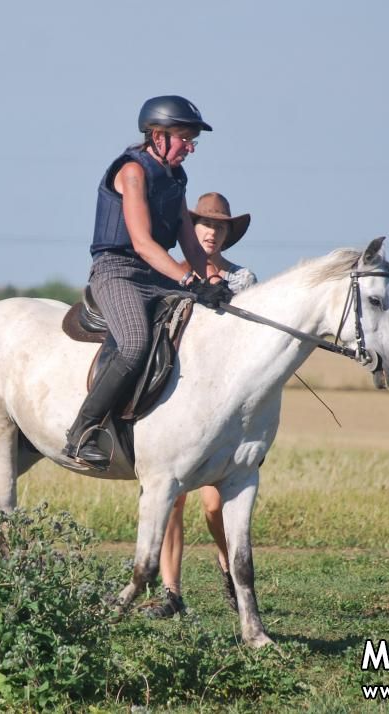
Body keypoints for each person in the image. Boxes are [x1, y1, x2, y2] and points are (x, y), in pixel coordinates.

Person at [62, 97, 234, 472]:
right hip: (117, 271)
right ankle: (82, 431)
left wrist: (215, 280)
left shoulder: (176, 178)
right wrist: (188, 278)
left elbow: (188, 239)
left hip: (157, 276)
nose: (190, 147)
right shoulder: (132, 172)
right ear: (158, 136)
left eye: (192, 141)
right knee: (136, 343)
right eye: (184, 139)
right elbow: (142, 242)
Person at [146, 192, 256, 618]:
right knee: (170, 498)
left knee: (214, 504)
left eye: (220, 226)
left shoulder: (244, 281)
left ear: (229, 234)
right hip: (176, 399)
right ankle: (172, 593)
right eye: (204, 225)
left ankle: (229, 566)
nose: (211, 232)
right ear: (191, 229)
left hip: (221, 409)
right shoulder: (172, 271)